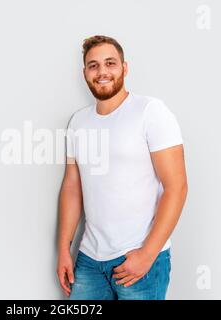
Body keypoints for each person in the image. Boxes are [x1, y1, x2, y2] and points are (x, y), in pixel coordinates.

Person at [56, 35, 188, 300]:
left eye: (110, 63)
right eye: (93, 65)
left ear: (124, 68)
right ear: (85, 73)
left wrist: (148, 254)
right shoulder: (78, 122)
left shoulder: (150, 111)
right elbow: (72, 187)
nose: (102, 71)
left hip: (138, 258)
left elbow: (177, 186)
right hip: (89, 260)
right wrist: (63, 248)